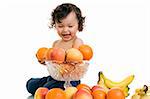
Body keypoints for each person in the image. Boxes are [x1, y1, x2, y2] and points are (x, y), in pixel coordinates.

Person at [26, 3, 85, 95]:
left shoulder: (77, 42)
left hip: (70, 80)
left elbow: (74, 63)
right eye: (60, 26)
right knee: (30, 84)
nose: (65, 30)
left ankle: (47, 89)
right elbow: (54, 65)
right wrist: (46, 61)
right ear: (55, 25)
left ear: (78, 25)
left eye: (70, 26)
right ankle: (45, 87)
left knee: (48, 88)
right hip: (55, 77)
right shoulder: (56, 43)